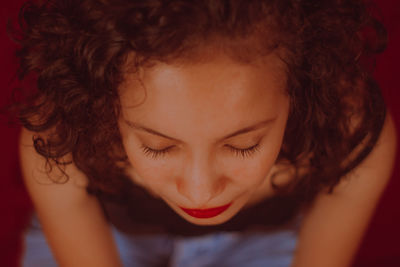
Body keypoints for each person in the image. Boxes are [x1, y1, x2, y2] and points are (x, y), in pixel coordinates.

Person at [14, 0, 397, 266]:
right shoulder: (58, 133)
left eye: (244, 145)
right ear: (101, 102)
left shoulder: (352, 134)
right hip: (105, 232)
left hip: (258, 241)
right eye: (158, 146)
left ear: (300, 93)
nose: (200, 191)